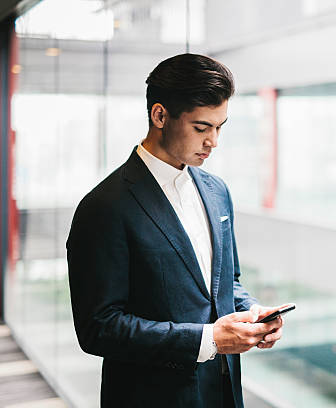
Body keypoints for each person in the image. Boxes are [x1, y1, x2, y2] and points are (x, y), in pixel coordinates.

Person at [66, 53, 286, 408]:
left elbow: (226, 283)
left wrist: (255, 313)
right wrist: (209, 339)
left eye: (220, 127)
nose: (213, 141)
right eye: (202, 128)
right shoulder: (104, 206)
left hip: (223, 391)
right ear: (160, 115)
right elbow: (99, 328)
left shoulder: (217, 191)